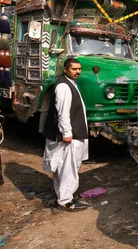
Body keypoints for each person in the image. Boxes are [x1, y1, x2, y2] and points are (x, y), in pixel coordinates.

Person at [42, 58, 90, 211]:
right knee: (68, 168)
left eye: (79, 69)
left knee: (64, 167)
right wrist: (67, 133)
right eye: (74, 69)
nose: (77, 72)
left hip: (74, 133)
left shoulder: (70, 83)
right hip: (71, 135)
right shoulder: (63, 86)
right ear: (65, 69)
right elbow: (63, 113)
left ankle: (62, 195)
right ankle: (66, 201)